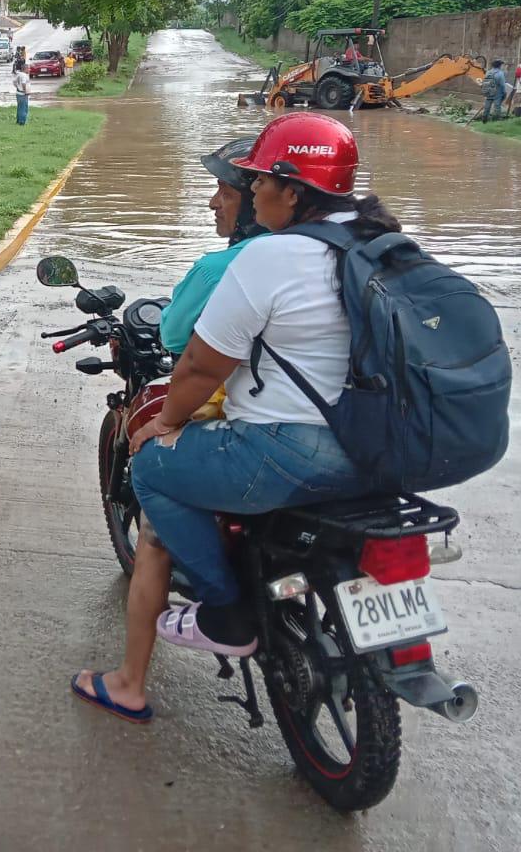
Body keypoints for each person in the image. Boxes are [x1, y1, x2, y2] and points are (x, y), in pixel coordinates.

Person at [128, 112, 392, 656]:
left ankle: (226, 611)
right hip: (383, 448)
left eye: (260, 182)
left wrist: (166, 421)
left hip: (292, 449)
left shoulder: (268, 255)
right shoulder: (379, 243)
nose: (254, 192)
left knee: (151, 467)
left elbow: (201, 368)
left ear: (291, 192)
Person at [70, 138, 266, 723]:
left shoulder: (226, 266)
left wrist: (167, 419)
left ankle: (132, 680)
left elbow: (181, 343)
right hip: (347, 432)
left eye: (225, 193)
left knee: (155, 485)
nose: (212, 203)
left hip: (262, 435)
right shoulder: (339, 254)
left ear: (260, 202)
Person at [13, 59, 30, 125]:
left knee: (20, 107)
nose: (29, 70)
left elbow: (14, 82)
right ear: (25, 69)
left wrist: (17, 87)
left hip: (18, 93)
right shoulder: (24, 75)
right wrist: (25, 91)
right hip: (23, 94)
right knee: (24, 108)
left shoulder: (19, 74)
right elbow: (23, 83)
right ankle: (22, 122)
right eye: (28, 68)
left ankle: (18, 120)